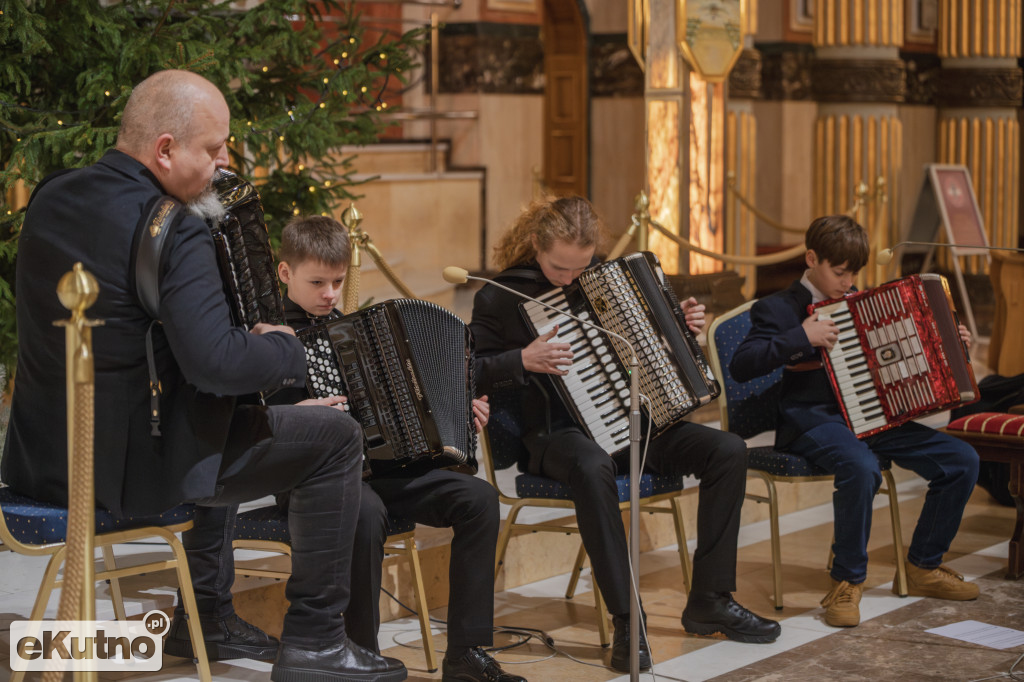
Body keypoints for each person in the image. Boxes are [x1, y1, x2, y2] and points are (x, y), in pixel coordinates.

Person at [1, 70, 406, 682]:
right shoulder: (174, 226)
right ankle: (317, 645)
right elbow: (215, 364)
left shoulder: (51, 197)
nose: (222, 165)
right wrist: (285, 351)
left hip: (43, 458)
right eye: (213, 148)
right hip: (130, 474)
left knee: (224, 420)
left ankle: (211, 618)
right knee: (333, 440)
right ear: (164, 149)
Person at [468, 196, 781, 673]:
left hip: (635, 423)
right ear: (535, 244)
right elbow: (471, 372)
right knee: (593, 465)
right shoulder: (499, 296)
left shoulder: (611, 283)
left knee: (727, 450)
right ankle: (626, 623)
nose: (570, 279)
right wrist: (522, 360)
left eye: (582, 266)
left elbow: (651, 350)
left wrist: (679, 325)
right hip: (558, 434)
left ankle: (710, 600)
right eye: (559, 268)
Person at [268, 215, 527, 682]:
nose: (330, 294)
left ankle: (466, 654)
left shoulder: (353, 333)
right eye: (317, 282)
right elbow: (252, 421)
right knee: (363, 515)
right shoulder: (267, 337)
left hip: (383, 471)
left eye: (338, 282)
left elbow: (405, 407)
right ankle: (357, 654)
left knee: (479, 499)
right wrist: (300, 410)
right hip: (313, 483)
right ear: (285, 274)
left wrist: (455, 411)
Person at [729, 214, 981, 628]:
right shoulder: (776, 308)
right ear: (812, 258)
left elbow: (904, 361)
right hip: (812, 422)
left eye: (854, 274)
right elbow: (742, 366)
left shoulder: (868, 307)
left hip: (874, 417)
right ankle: (847, 581)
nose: (848, 283)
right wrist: (800, 337)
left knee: (962, 459)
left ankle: (923, 564)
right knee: (862, 468)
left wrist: (951, 343)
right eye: (839, 272)